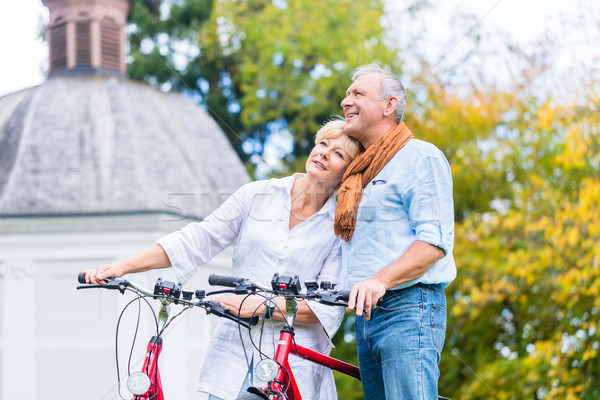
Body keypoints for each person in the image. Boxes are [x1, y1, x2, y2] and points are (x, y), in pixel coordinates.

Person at [83, 117, 362, 400]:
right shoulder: (257, 195)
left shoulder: (341, 227)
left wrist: (258, 306)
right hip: (232, 353)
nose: (325, 153)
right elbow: (198, 240)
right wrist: (123, 266)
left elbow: (326, 309)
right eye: (323, 144)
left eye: (339, 153)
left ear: (348, 173)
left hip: (293, 363)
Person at [334, 64, 456, 400]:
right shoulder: (358, 174)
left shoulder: (419, 157)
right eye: (346, 95)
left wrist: (380, 280)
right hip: (366, 316)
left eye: (358, 93)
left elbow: (434, 242)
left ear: (389, 105)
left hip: (408, 308)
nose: (346, 101)